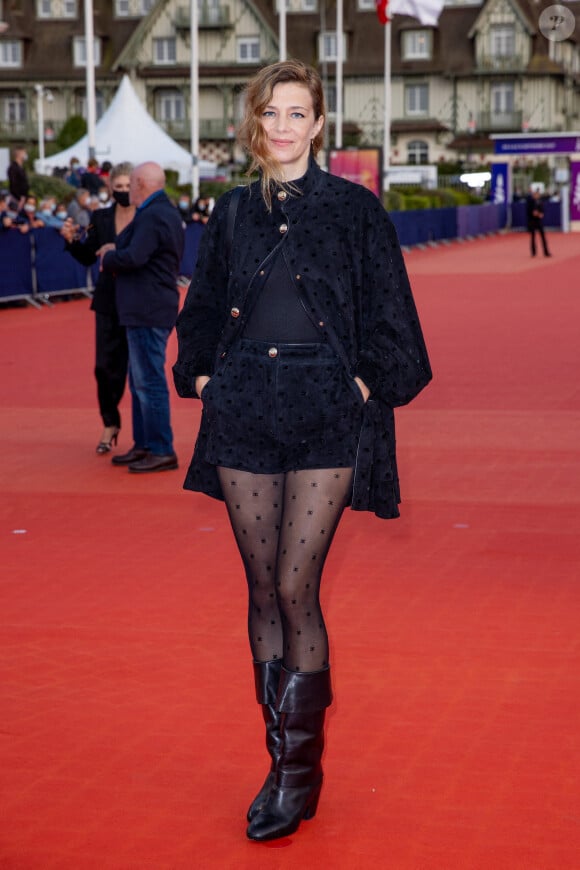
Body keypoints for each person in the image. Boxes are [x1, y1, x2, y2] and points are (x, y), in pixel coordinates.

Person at [173, 60, 432, 842]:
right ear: (257, 124)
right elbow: (207, 303)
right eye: (272, 114)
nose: (284, 126)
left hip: (325, 409)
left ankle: (299, 774)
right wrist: (208, 373)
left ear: (319, 124)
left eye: (298, 113)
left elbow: (393, 313)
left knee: (293, 584)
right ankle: (280, 764)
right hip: (247, 402)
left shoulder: (356, 212)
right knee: (258, 589)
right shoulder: (229, 212)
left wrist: (362, 386)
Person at [98, 161, 184, 473]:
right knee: (141, 382)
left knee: (148, 381)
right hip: (146, 306)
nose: (126, 189)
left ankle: (160, 447)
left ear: (141, 184)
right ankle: (146, 444)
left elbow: (135, 256)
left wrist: (109, 256)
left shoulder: (153, 215)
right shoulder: (160, 212)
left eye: (131, 183)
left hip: (148, 307)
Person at [61, 163, 135, 454]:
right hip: (107, 301)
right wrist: (71, 240)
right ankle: (110, 421)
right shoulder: (101, 217)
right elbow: (86, 256)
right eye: (120, 188)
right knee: (104, 368)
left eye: (130, 187)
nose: (125, 192)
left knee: (140, 372)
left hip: (140, 302)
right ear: (110, 188)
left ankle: (148, 440)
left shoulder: (146, 217)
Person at [526, 187, 551, 257]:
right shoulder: (530, 202)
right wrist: (535, 213)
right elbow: (530, 212)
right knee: (533, 237)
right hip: (532, 221)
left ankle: (546, 251)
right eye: (536, 194)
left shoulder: (540, 201)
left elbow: (542, 210)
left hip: (539, 221)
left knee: (543, 236)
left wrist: (541, 214)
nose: (537, 195)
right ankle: (533, 252)